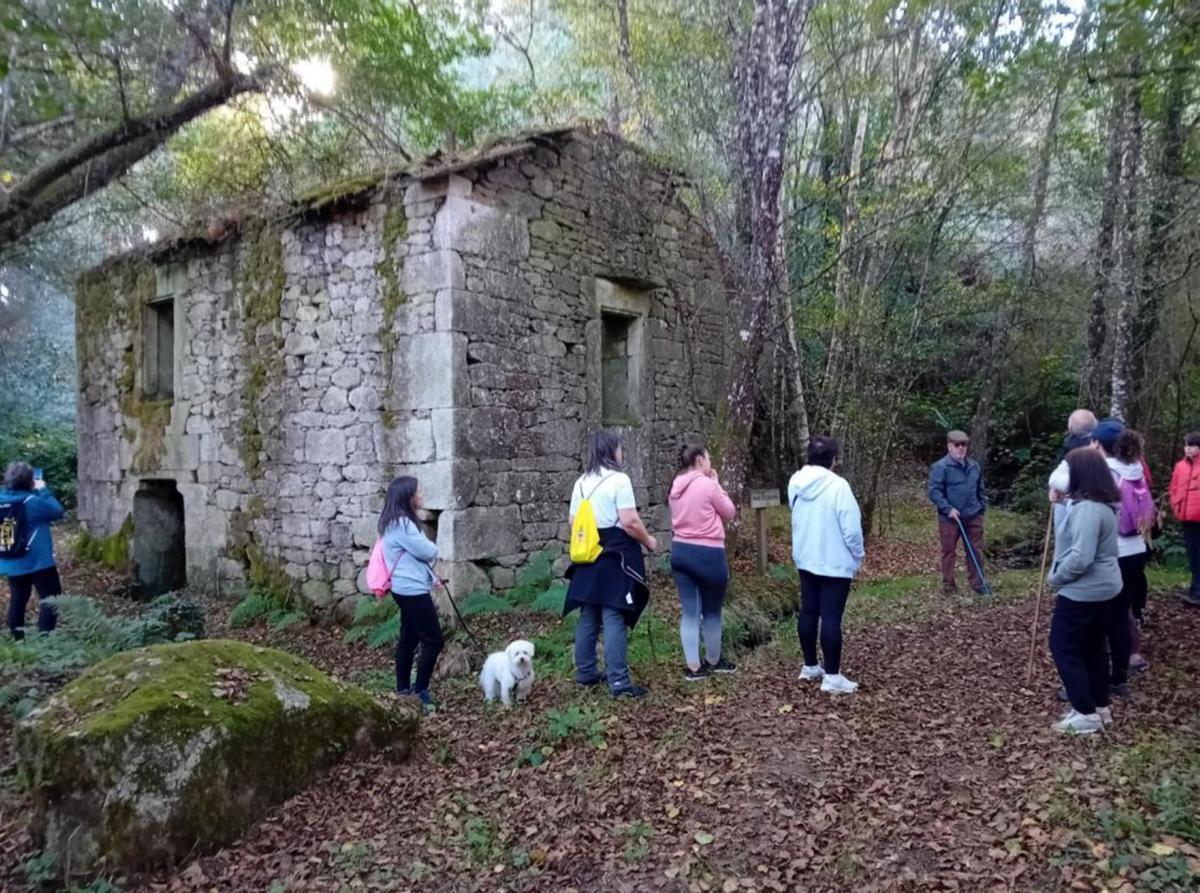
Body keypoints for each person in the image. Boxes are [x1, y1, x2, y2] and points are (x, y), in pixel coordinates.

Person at [564, 431, 657, 699]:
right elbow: (629, 521)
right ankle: (619, 683)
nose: (621, 452)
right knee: (614, 613)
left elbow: (573, 521)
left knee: (589, 612)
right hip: (616, 553)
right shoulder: (619, 480)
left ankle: (585, 673)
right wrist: (649, 541)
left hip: (589, 553)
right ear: (611, 450)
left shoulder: (581, 482)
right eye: (619, 448)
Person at [1046, 448, 1122, 735]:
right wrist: (1062, 500)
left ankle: (1085, 711)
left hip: (1083, 590)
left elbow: (1081, 557)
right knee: (1093, 647)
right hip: (1103, 587)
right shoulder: (1101, 503)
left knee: (1063, 646)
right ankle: (1100, 706)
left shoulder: (1090, 509)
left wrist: (1057, 578)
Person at [787, 435, 865, 694]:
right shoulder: (839, 486)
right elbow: (851, 529)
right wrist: (858, 555)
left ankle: (810, 665)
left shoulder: (795, 482)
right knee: (831, 617)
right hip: (834, 561)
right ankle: (832, 676)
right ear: (833, 459)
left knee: (809, 611)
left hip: (806, 557)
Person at [669, 441, 737, 681]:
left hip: (680, 551)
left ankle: (693, 668)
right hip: (709, 554)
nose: (710, 463)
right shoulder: (709, 486)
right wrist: (717, 484)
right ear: (699, 461)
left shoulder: (675, 487)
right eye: (708, 459)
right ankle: (714, 660)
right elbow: (730, 512)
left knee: (689, 612)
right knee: (712, 611)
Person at [378, 476, 443, 710]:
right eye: (419, 491)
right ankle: (420, 692)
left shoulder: (390, 523)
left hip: (402, 588)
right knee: (434, 640)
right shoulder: (403, 524)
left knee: (409, 639)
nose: (422, 494)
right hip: (413, 591)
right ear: (408, 497)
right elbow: (429, 550)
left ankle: (403, 690)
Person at [0, 462, 65, 639]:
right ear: (30, 481)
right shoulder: (33, 502)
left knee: (18, 599)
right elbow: (57, 512)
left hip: (11, 559)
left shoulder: (2, 499)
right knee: (51, 598)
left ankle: (18, 640)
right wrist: (43, 489)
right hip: (38, 561)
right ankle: (45, 638)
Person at [1111, 430, 1153, 675]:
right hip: (1139, 544)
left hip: (1118, 547)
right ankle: (1133, 653)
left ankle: (1119, 660)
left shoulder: (1112, 472)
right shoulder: (1138, 473)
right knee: (1126, 602)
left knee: (1114, 605)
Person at [927, 430, 987, 594]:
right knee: (948, 551)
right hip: (950, 518)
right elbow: (934, 492)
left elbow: (980, 490)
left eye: (964, 445)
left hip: (973, 515)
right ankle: (949, 585)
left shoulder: (974, 466)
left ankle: (978, 583)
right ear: (949, 446)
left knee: (975, 550)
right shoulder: (940, 467)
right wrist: (948, 508)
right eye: (957, 445)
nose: (961, 448)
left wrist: (981, 507)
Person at [1048, 409, 1098, 531]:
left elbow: (1057, 474)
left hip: (1069, 495)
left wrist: (1053, 488)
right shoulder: (1100, 443)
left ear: (1070, 427)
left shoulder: (1070, 444)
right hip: (1076, 497)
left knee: (1065, 536)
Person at [1169, 431, 1200, 607]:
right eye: (1186, 445)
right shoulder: (1181, 466)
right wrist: (1175, 504)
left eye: (1192, 445)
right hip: (1186, 516)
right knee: (1192, 554)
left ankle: (1197, 592)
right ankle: (1195, 589)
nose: (1188, 449)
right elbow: (1174, 487)